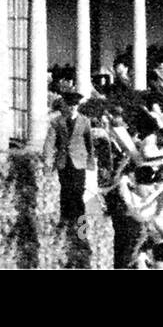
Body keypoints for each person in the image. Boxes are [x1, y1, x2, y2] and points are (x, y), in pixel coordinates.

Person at [44, 91, 97, 226]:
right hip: (63, 161)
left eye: (75, 105)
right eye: (69, 104)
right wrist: (48, 161)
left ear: (78, 106)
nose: (72, 107)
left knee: (78, 191)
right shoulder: (57, 122)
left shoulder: (84, 121)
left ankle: (80, 225)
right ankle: (64, 219)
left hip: (79, 161)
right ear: (65, 106)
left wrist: (91, 162)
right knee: (65, 190)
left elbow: (89, 143)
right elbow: (49, 142)